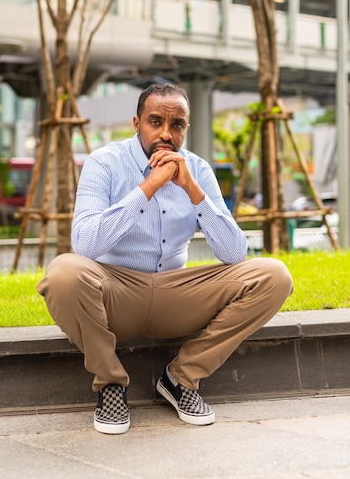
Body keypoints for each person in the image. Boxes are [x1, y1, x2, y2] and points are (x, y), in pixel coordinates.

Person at [37, 83, 292, 435]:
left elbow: (234, 254)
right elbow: (84, 245)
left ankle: (181, 379)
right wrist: (149, 187)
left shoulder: (198, 170)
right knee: (64, 272)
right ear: (137, 123)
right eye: (155, 122)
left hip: (177, 294)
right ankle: (111, 384)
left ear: (186, 128)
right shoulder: (104, 162)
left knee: (274, 274)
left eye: (177, 125)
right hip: (116, 291)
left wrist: (193, 190)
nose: (166, 135)